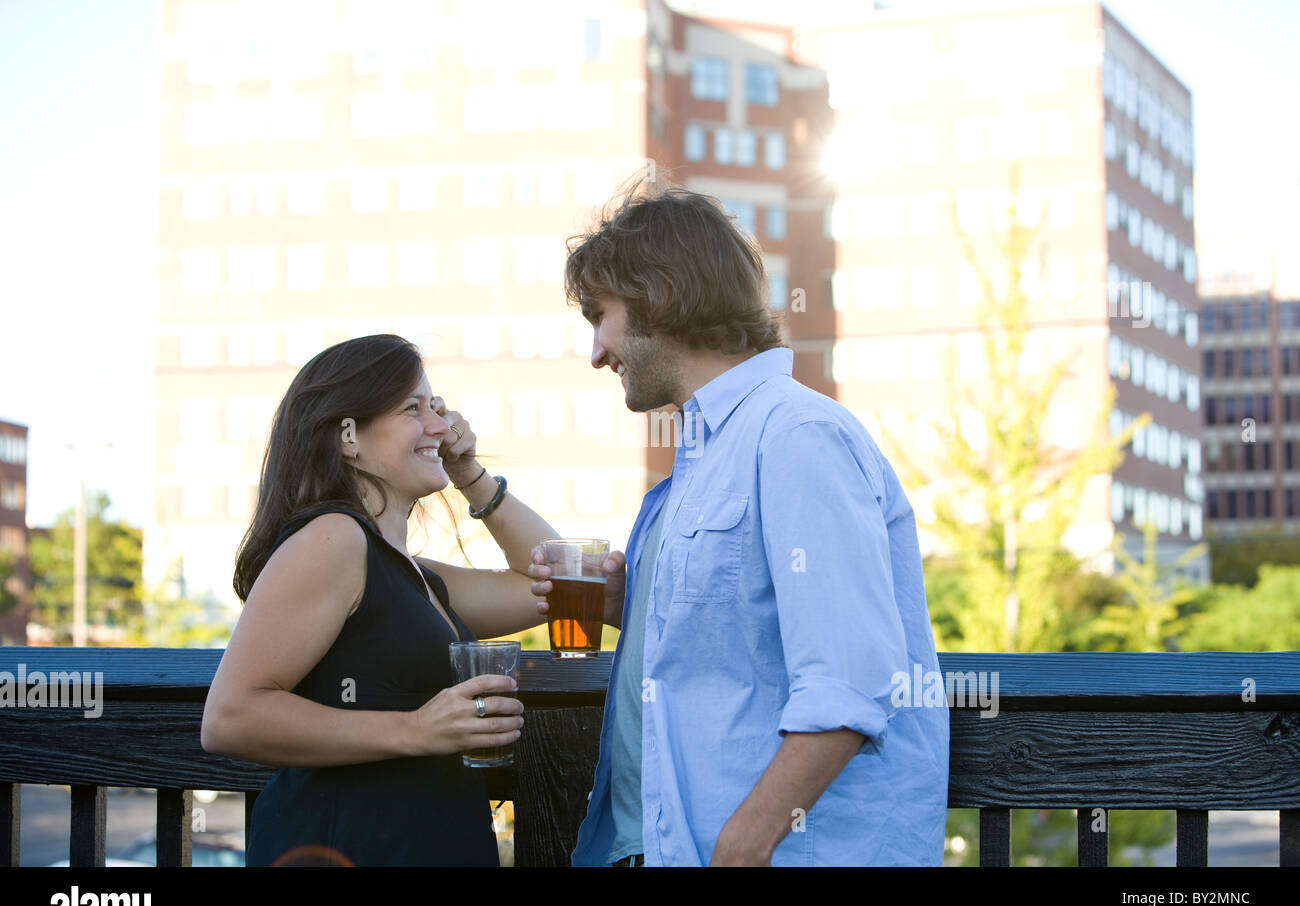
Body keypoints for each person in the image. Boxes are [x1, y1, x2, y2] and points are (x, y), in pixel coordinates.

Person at [530, 186, 950, 866]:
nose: (598, 352)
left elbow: (847, 682)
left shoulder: (795, 437)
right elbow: (741, 640)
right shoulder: (699, 462)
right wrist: (630, 610)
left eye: (599, 316)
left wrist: (740, 847)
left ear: (658, 295)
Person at [202, 334, 557, 866]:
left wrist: (470, 475)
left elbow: (551, 586)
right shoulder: (334, 539)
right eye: (413, 409)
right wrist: (416, 729)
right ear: (348, 436)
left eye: (436, 407)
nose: (442, 424)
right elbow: (231, 717)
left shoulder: (413, 575)